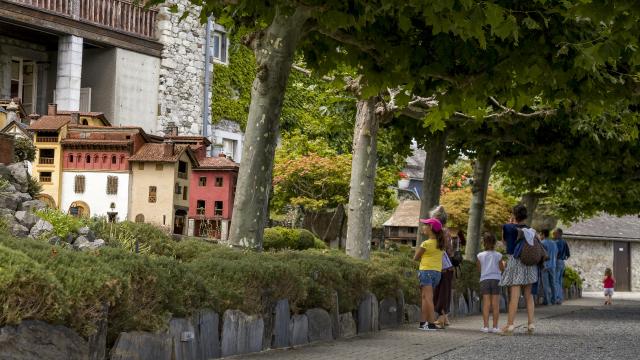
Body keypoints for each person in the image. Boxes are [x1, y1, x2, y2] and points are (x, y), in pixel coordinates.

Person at [499, 205, 538, 335]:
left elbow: (504, 243)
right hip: (529, 263)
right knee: (529, 295)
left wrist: (510, 224)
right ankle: (531, 324)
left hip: (515, 261)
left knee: (514, 296)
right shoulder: (531, 230)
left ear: (514, 215)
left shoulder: (507, 227)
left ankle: (510, 325)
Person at [413, 218, 445, 331]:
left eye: (425, 225)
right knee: (425, 297)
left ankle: (431, 323)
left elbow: (415, 257)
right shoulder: (440, 244)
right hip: (437, 273)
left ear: (431, 228)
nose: (423, 227)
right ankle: (423, 323)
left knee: (428, 298)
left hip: (426, 271)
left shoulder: (425, 243)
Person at [431, 206, 454, 328]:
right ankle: (445, 318)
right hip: (447, 267)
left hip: (443, 267)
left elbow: (441, 250)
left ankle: (441, 319)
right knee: (443, 292)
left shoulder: (441, 233)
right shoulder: (447, 231)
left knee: (441, 293)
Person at [477, 232, 504, 333]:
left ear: (484, 242)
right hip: (496, 279)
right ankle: (495, 327)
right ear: (495, 243)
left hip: (485, 280)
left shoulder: (480, 255)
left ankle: (485, 327)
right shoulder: (499, 255)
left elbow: (479, 269)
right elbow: (502, 268)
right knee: (495, 305)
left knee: (486, 304)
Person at [540, 229, 558, 305]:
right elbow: (556, 253)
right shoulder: (554, 243)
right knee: (553, 283)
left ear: (544, 234)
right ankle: (554, 300)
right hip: (553, 265)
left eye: (541, 234)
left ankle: (547, 301)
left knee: (545, 284)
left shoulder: (542, 243)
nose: (540, 236)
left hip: (545, 265)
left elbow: (541, 254)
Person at [553, 228, 571, 304]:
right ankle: (560, 298)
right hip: (562, 262)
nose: (553, 234)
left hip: (557, 261)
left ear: (559, 234)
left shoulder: (557, 242)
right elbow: (568, 254)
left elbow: (556, 252)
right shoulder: (564, 242)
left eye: (555, 233)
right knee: (560, 281)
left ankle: (557, 298)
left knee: (556, 281)